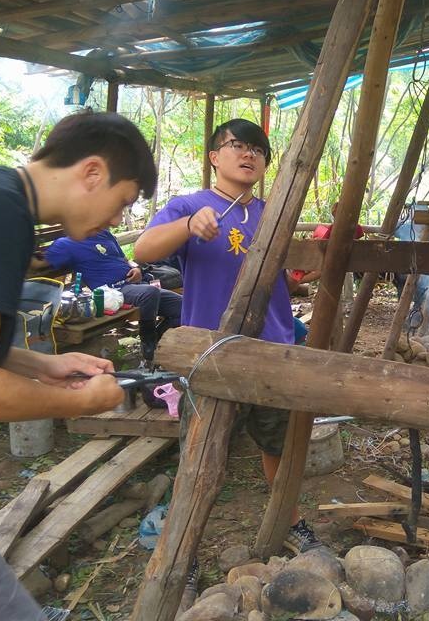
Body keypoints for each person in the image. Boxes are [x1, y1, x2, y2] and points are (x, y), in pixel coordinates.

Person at [0, 111, 157, 621]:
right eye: (123, 201)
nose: (115, 219)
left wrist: (42, 366)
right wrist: (77, 402)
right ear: (91, 172)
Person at [134, 118, 322, 555]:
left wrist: (303, 274)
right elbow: (142, 251)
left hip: (272, 348)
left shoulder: (271, 213)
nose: (249, 154)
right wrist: (186, 228)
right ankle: (185, 545)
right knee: (200, 453)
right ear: (215, 157)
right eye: (237, 144)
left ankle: (289, 523)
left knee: (278, 443)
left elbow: (280, 281)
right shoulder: (191, 206)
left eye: (258, 149)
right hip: (210, 352)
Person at [43, 229, 182, 363]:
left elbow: (124, 259)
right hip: (111, 292)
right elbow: (39, 265)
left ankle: (156, 340)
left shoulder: (104, 234)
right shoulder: (65, 244)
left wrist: (136, 268)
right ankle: (148, 343)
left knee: (183, 307)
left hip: (138, 284)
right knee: (149, 293)